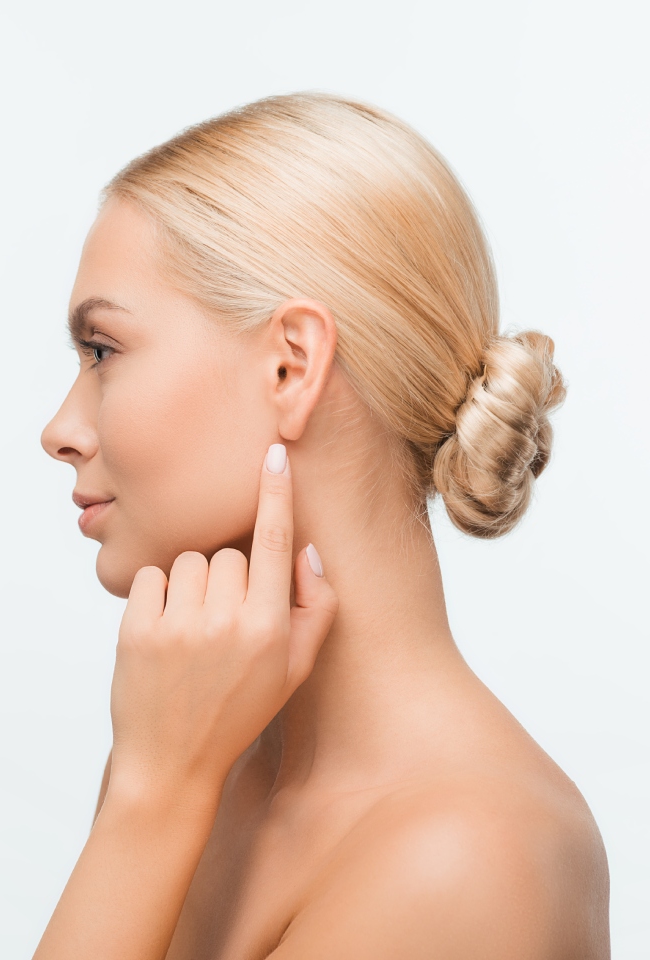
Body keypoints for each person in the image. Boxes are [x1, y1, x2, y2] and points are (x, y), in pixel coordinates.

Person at [36, 92, 610, 959]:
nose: (60, 429)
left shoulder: (469, 856)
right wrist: (154, 790)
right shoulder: (197, 760)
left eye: (104, 352)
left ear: (290, 365)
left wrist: (148, 803)